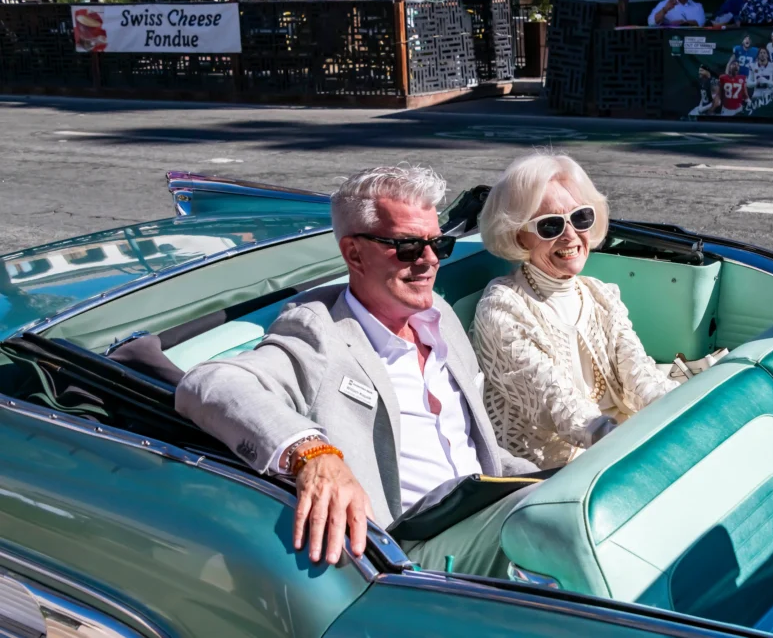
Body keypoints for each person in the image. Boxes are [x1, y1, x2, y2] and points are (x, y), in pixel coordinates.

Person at [176, 166, 537, 575]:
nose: (430, 260)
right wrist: (313, 454)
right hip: (406, 556)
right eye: (407, 247)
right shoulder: (319, 331)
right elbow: (209, 383)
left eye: (439, 244)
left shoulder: (440, 317)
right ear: (353, 253)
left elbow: (477, 454)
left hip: (483, 515)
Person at [472, 154, 679, 469]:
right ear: (518, 235)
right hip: (554, 471)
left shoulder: (599, 294)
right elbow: (557, 404)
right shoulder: (502, 308)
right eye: (550, 225)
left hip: (619, 445)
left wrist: (681, 409)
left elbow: (639, 374)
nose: (570, 235)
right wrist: (624, 445)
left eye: (580, 217)